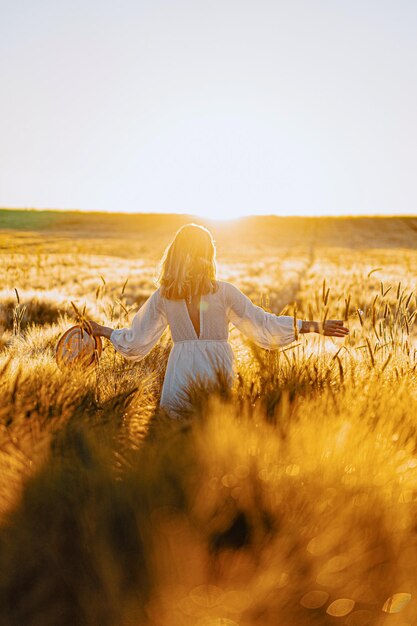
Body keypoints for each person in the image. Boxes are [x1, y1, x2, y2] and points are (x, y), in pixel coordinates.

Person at [89, 224, 349, 417]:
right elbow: (263, 325)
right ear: (208, 254)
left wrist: (103, 330)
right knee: (215, 440)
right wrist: (313, 326)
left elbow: (137, 341)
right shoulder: (223, 292)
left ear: (176, 254)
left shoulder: (165, 296)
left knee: (179, 439)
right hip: (217, 370)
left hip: (180, 372)